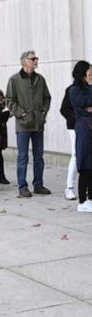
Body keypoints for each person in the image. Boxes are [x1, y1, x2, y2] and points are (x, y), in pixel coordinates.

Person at [6, 50, 51, 198]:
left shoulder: (40, 79)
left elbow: (47, 97)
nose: (36, 60)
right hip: (23, 125)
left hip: (38, 124)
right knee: (23, 156)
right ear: (24, 61)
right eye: (33, 58)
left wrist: (43, 113)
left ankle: (38, 184)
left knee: (39, 156)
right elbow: (10, 101)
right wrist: (22, 114)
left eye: (36, 58)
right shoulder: (14, 80)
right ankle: (22, 187)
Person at [69, 61, 92, 212]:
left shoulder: (86, 88)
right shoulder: (74, 90)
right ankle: (82, 200)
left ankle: (90, 198)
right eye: (89, 72)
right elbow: (84, 102)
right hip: (83, 128)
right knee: (85, 164)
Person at [60, 81, 77, 200]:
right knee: (76, 155)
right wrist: (77, 118)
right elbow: (64, 109)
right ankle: (69, 188)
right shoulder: (71, 89)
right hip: (75, 127)